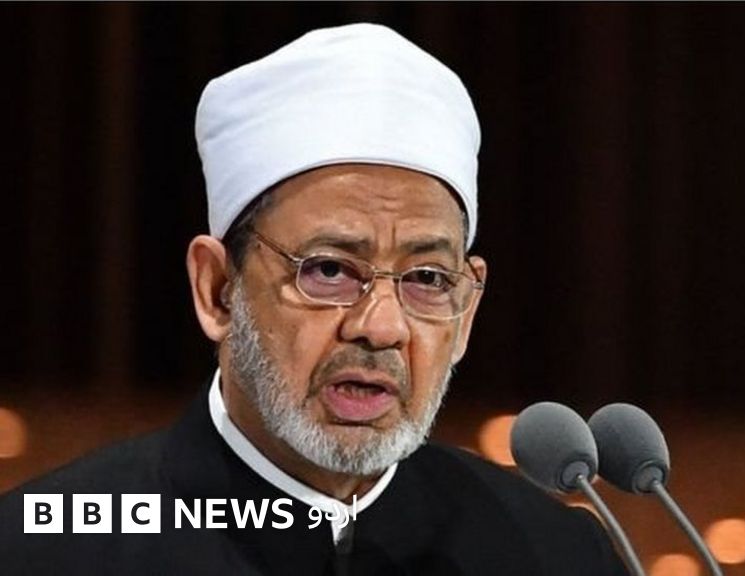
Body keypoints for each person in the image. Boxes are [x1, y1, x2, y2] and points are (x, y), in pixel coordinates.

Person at [0, 24, 629, 575]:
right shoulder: (43, 549)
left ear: (467, 314)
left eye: (427, 279)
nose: (382, 326)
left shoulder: (554, 554)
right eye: (329, 270)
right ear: (216, 290)